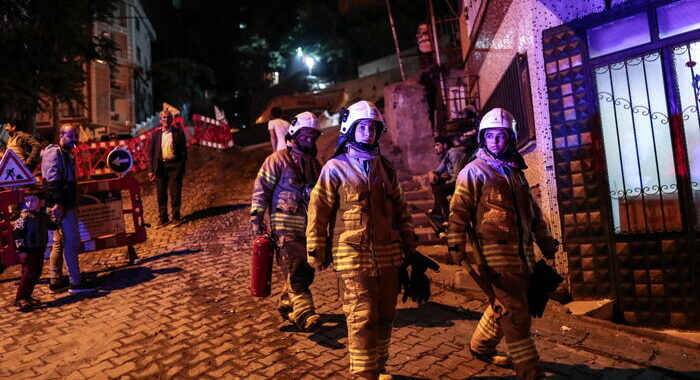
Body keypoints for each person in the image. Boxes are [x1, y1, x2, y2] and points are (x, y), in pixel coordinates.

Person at [307, 100, 423, 380]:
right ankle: (363, 373)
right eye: (363, 128)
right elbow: (318, 209)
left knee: (385, 315)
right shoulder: (335, 168)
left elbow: (400, 208)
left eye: (373, 128)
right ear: (350, 130)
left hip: (389, 256)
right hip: (352, 255)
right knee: (362, 316)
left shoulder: (385, 167)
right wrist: (316, 248)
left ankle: (377, 367)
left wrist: (410, 243)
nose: (368, 133)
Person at [446, 108, 559, 380]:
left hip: (523, 255)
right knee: (517, 316)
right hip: (494, 256)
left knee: (507, 304)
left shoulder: (516, 173)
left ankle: (481, 345)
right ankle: (530, 371)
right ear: (483, 139)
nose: (497, 141)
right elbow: (458, 212)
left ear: (511, 138)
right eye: (492, 136)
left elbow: (533, 213)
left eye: (502, 136)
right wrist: (455, 245)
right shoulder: (473, 172)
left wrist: (544, 241)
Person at [250, 111, 323, 331]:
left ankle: (285, 302)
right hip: (284, 226)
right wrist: (257, 217)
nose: (308, 140)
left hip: (308, 227)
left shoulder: (314, 165)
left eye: (312, 136)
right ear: (294, 134)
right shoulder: (277, 160)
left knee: (307, 267)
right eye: (304, 136)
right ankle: (304, 313)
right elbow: (261, 188)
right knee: (296, 266)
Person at [42, 124, 97, 294]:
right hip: (63, 206)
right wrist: (58, 203)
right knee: (71, 242)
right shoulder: (55, 152)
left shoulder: (65, 153)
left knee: (59, 242)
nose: (74, 139)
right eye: (70, 135)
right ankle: (76, 283)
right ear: (61, 135)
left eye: (75, 135)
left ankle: (56, 280)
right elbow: (52, 180)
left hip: (63, 204)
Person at [12, 186, 57, 311]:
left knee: (35, 273)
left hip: (39, 249)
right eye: (27, 201)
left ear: (41, 202)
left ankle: (27, 296)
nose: (29, 203)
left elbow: (52, 226)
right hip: (28, 250)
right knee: (28, 274)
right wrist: (21, 250)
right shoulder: (24, 218)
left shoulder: (43, 217)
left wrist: (55, 217)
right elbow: (17, 234)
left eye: (32, 200)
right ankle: (20, 298)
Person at [148, 109, 188, 226]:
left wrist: (181, 167)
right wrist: (150, 170)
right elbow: (151, 154)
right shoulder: (155, 135)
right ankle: (163, 218)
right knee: (161, 194)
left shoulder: (178, 133)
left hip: (174, 167)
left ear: (172, 119)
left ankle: (176, 217)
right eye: (164, 117)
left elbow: (183, 152)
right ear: (160, 120)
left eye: (169, 117)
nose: (166, 120)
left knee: (175, 193)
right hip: (160, 167)